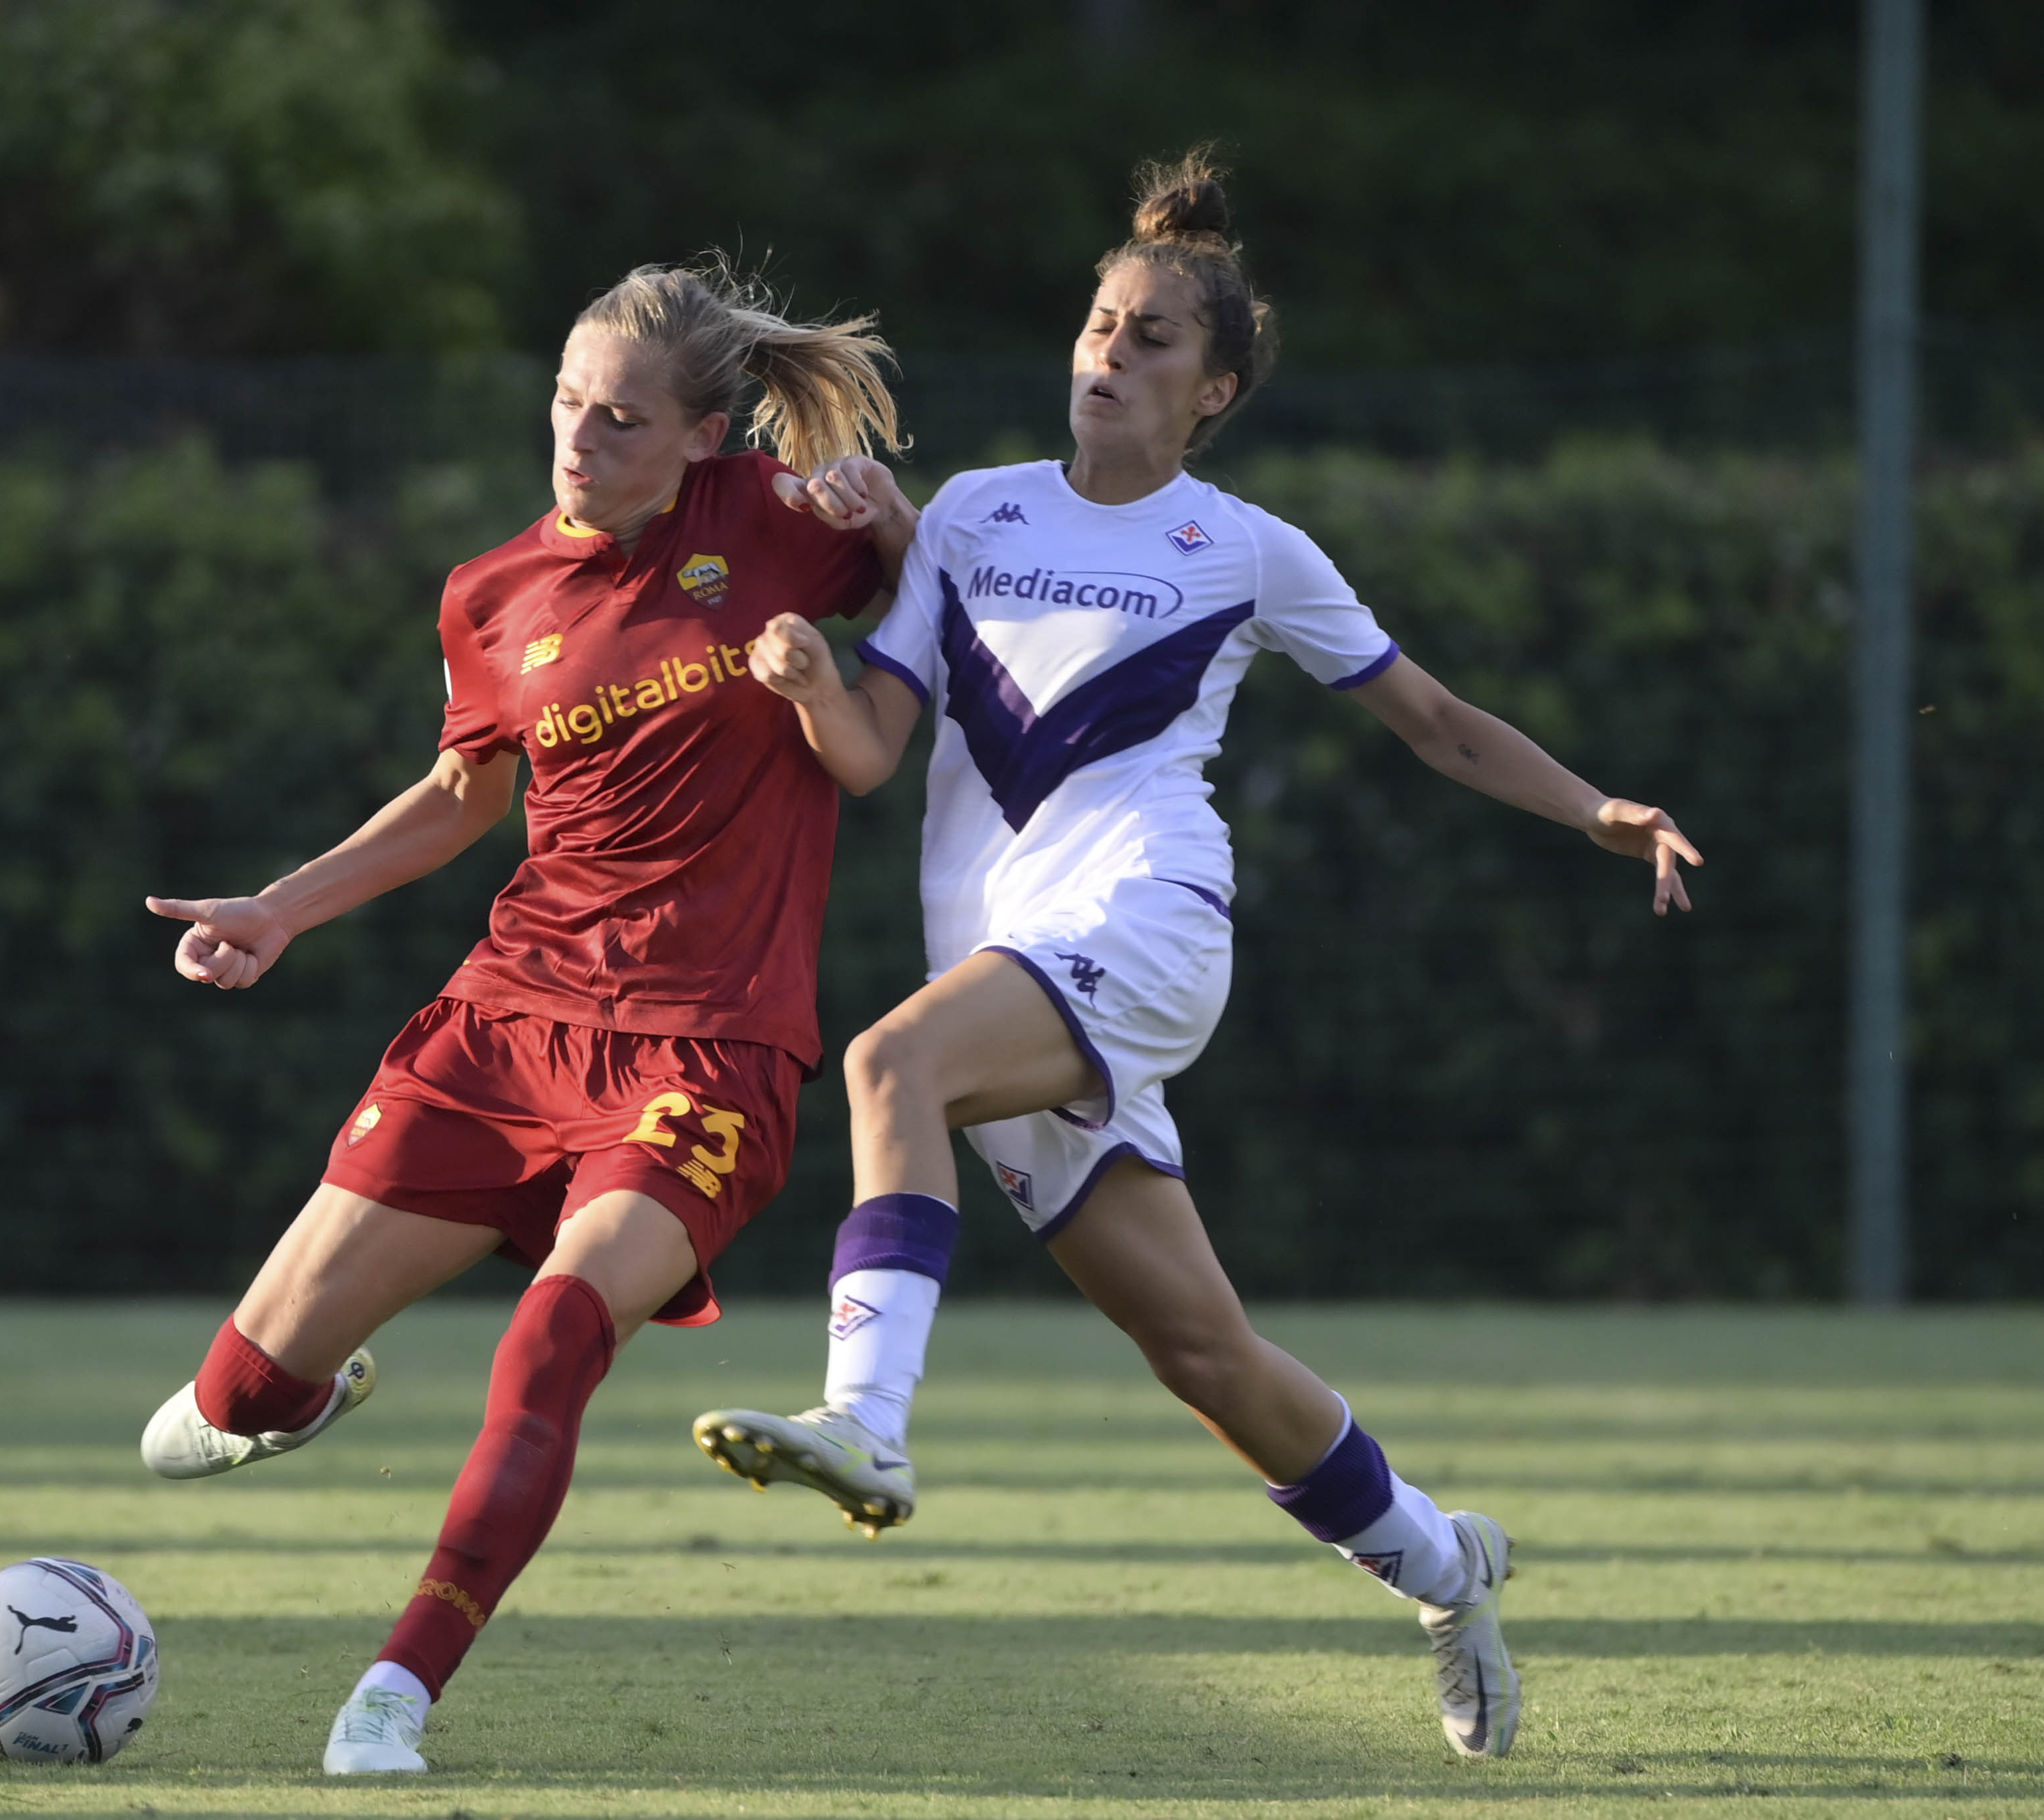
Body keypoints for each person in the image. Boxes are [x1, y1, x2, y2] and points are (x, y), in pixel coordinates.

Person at [688, 153, 1702, 1762]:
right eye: (1101, 323)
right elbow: (875, 752)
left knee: (889, 1062)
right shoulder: (962, 513)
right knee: (1205, 1356)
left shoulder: (1243, 546)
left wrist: (1591, 807)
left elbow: (1433, 722)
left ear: (1213, 386)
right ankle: (1447, 1566)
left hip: (1146, 922)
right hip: (1013, 961)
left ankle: (866, 1425)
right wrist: (814, 675)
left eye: (1154, 337)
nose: (1111, 351)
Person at [134, 262, 914, 1776]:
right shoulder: (490, 593)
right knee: (220, 1404)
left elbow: (935, 602)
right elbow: (454, 800)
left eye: (619, 419)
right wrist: (281, 908)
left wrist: (887, 518)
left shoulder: (776, 520)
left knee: (558, 1328)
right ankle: (301, 1393)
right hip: (504, 1026)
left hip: (709, 1047)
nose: (577, 438)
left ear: (704, 438)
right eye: (565, 401)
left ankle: (396, 1689)